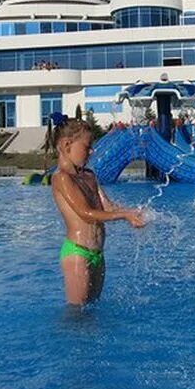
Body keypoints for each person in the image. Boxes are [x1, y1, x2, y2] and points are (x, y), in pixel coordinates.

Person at [48, 113, 145, 306]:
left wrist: (133, 212)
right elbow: (86, 213)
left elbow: (107, 207)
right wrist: (124, 215)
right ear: (67, 145)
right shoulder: (61, 178)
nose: (92, 151)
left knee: (91, 310)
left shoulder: (90, 176)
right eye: (87, 147)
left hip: (97, 255)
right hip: (78, 253)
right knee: (76, 314)